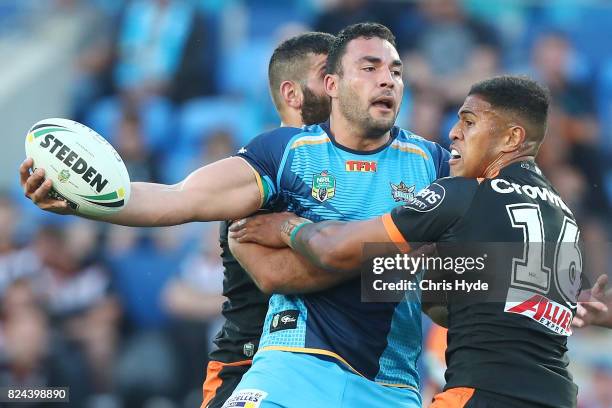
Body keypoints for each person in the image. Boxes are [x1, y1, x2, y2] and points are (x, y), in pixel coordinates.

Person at [20, 22, 449, 407]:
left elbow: (486, 274)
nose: (388, 80)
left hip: (389, 383)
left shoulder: (433, 163)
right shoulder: (283, 155)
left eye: (396, 71)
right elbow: (179, 199)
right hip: (280, 367)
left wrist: (317, 240)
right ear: (330, 84)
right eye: (370, 67)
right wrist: (83, 200)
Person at [232, 76, 585, 408]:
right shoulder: (563, 215)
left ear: (511, 139)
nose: (454, 133)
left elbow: (332, 248)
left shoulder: (465, 193)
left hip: (481, 393)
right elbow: (462, 305)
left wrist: (286, 227)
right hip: (558, 395)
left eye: (470, 122)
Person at [201, 32, 335, 408]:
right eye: (327, 75)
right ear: (292, 94)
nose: (339, 85)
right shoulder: (264, 167)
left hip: (348, 366)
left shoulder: (373, 167)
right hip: (250, 360)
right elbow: (274, 275)